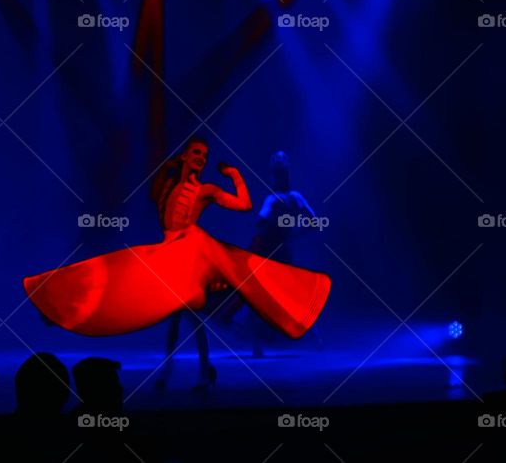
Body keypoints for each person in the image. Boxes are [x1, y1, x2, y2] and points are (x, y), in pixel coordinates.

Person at [23, 139, 331, 389]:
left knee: (194, 309)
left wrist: (234, 177)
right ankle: (59, 300)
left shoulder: (214, 192)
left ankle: (193, 367)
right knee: (134, 279)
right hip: (173, 251)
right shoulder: (171, 189)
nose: (199, 158)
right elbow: (155, 195)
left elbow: (245, 205)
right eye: (195, 154)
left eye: (203, 155)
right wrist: (168, 168)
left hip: (200, 251)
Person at [220, 151, 321, 357]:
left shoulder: (273, 199)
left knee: (258, 296)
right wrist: (294, 231)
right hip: (281, 251)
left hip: (268, 252)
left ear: (275, 177)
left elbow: (261, 223)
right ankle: (311, 336)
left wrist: (282, 229)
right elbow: (315, 222)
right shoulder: (296, 198)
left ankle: (255, 340)